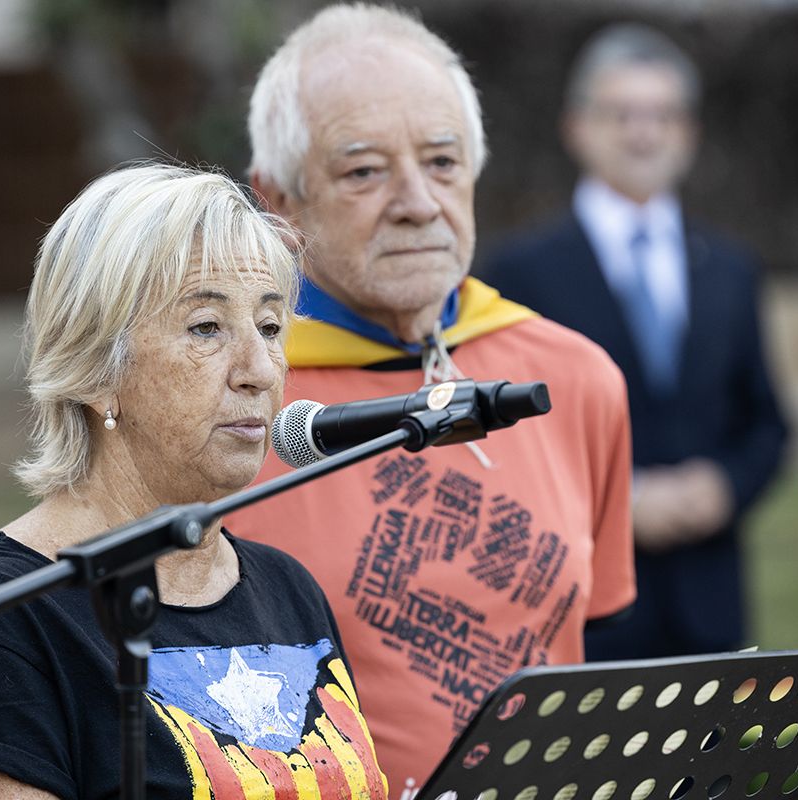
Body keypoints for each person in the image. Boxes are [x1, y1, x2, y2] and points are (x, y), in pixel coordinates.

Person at [224, 5, 636, 792]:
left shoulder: (577, 378)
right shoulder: (232, 396)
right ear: (278, 199)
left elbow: (599, 637)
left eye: (442, 162)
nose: (417, 202)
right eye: (363, 171)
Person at [0, 164, 388, 799]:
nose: (260, 369)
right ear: (96, 370)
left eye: (268, 327)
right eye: (207, 327)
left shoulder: (287, 589)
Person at [478, 23, 789, 661]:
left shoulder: (732, 268)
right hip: (586, 607)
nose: (644, 133)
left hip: (711, 601)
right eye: (622, 114)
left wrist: (724, 487)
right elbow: (503, 439)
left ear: (690, 132)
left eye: (664, 115)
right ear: (578, 127)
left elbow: (767, 423)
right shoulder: (520, 272)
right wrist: (623, 502)